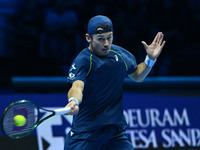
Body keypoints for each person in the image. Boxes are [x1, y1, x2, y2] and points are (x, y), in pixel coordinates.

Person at [64, 15, 165, 150]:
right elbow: (77, 86)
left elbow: (137, 76)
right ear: (89, 38)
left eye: (109, 37)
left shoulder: (121, 55)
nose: (106, 43)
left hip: (115, 134)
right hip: (85, 135)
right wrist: (73, 101)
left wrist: (150, 59)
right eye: (100, 39)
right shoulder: (83, 60)